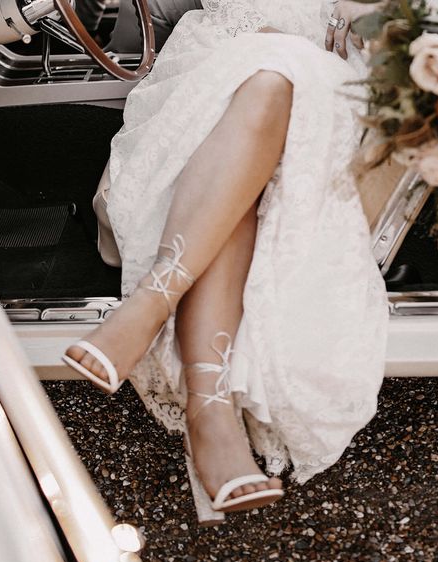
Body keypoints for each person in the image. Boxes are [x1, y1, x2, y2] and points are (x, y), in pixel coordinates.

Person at [63, 1, 389, 525]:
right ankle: (209, 409)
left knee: (273, 84)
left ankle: (152, 312)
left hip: (336, 72)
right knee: (258, 86)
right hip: (221, 58)